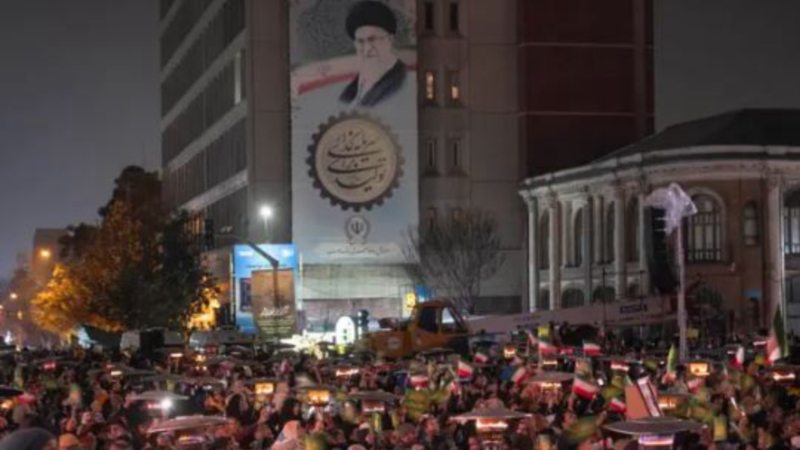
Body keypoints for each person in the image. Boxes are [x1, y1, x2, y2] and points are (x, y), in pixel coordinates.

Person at [339, 0, 407, 107]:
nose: (367, 49)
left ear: (390, 40)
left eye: (372, 39)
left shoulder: (402, 84)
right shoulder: (352, 89)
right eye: (360, 41)